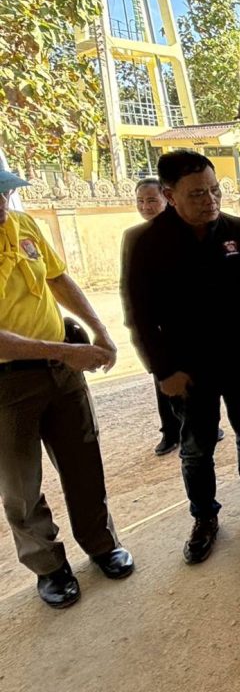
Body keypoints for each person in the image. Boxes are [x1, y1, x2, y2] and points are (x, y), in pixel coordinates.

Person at [126, 150, 240, 566]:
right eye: (197, 193)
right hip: (187, 369)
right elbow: (140, 317)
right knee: (197, 446)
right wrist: (163, 371)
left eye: (215, 190)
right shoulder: (146, 242)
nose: (210, 200)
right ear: (170, 195)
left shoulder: (238, 231)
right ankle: (204, 516)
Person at [0, 169, 134, 608]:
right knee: (20, 485)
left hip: (61, 371)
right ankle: (48, 566)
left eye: (4, 193)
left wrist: (99, 331)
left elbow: (58, 279)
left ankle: (101, 543)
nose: (2, 204)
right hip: (7, 385)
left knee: (84, 463)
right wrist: (64, 351)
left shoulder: (23, 224)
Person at [120, 179, 184, 456]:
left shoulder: (186, 231)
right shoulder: (134, 237)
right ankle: (170, 431)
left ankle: (204, 426)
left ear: (167, 199)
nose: (145, 206)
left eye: (151, 200)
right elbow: (129, 290)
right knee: (163, 377)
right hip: (156, 326)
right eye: (141, 201)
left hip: (185, 324)